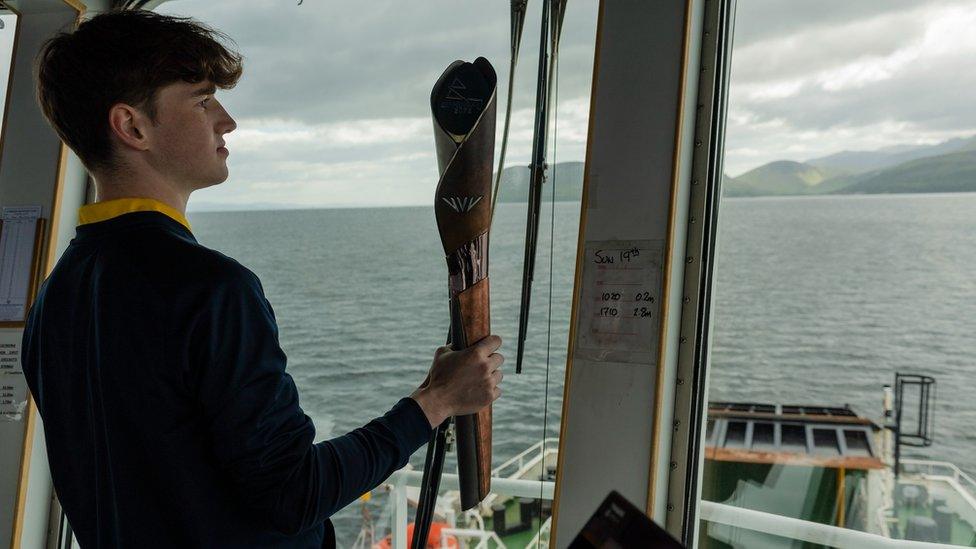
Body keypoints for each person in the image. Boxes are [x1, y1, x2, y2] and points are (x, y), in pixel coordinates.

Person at [22, 9, 503, 548]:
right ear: (132, 126)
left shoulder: (54, 297)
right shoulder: (212, 291)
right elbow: (292, 495)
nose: (226, 120)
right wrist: (435, 402)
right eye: (202, 100)